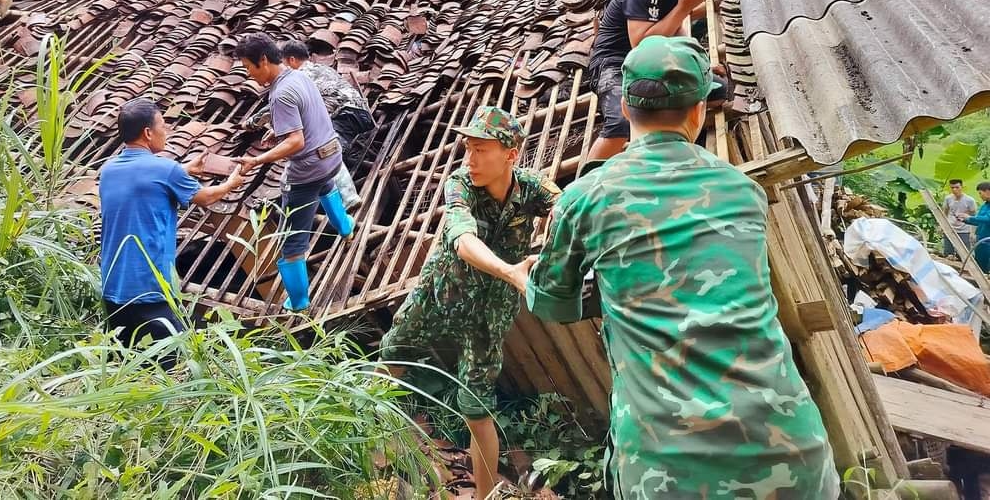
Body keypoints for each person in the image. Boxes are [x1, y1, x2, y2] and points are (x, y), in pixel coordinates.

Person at [527, 36, 840, 499]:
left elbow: (554, 305)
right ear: (698, 111)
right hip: (791, 453)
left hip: (668, 467)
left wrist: (525, 276)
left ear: (626, 109)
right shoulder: (743, 192)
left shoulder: (586, 197)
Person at [380, 107, 559, 500]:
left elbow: (566, 206)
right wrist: (511, 271)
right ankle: (386, 447)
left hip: (488, 315)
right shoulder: (459, 185)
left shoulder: (533, 189)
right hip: (438, 297)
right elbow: (462, 240)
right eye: (467, 149)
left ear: (510, 154)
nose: (470, 159)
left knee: (476, 407)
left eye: (481, 150)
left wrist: (551, 236)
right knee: (391, 356)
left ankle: (482, 495)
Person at [99, 99, 243, 360]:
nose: (167, 132)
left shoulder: (108, 170)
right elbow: (206, 198)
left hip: (114, 285)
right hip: (150, 287)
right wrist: (231, 183)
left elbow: (144, 181)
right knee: (172, 361)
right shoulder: (165, 170)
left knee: (125, 360)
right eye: (163, 126)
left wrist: (185, 169)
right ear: (148, 133)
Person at [234, 32, 352, 312]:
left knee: (292, 241)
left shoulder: (280, 94)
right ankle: (346, 227)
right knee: (325, 186)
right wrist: (279, 130)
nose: (249, 75)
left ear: (263, 60)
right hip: (331, 158)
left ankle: (298, 301)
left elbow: (296, 142)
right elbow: (308, 115)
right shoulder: (299, 75)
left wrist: (257, 160)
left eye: (249, 68)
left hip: (308, 170)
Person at [586, 0, 724, 162]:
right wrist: (684, 8)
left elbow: (678, 29)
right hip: (615, 63)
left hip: (654, 61)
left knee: (717, 90)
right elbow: (640, 43)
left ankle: (669, 145)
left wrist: (699, 64)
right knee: (620, 123)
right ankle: (587, 183)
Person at [281, 39, 375, 166]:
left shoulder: (300, 76)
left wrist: (252, 123)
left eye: (283, 63)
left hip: (346, 114)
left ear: (291, 60)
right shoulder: (323, 69)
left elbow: (288, 103)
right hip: (360, 113)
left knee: (330, 150)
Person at [942, 178, 978, 259]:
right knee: (948, 253)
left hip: (964, 230)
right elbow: (945, 212)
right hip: (950, 229)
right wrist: (942, 226)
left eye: (957, 187)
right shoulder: (948, 198)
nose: (954, 190)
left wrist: (973, 232)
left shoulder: (969, 200)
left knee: (964, 255)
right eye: (952, 188)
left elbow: (974, 216)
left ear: (962, 187)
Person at [961, 181, 990, 273]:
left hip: (988, 240)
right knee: (979, 263)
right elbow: (979, 221)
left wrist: (970, 217)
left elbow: (987, 219)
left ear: (987, 191)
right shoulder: (984, 206)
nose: (980, 196)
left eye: (980, 193)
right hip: (981, 238)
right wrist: (965, 220)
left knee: (987, 263)